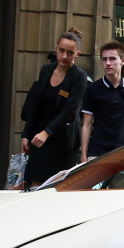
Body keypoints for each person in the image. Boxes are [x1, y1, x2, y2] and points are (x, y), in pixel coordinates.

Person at [21, 29, 88, 186]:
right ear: (56, 47)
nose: (64, 56)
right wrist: (26, 134)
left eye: (70, 53)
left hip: (63, 141)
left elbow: (70, 111)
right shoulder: (46, 70)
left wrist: (47, 133)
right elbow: (35, 105)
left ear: (78, 54)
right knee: (36, 188)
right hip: (40, 139)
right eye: (61, 50)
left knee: (59, 190)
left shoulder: (79, 77)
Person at [80, 40, 124, 162]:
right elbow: (87, 125)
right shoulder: (92, 89)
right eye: (104, 59)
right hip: (97, 152)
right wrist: (83, 156)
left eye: (112, 59)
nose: (108, 63)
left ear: (123, 61)